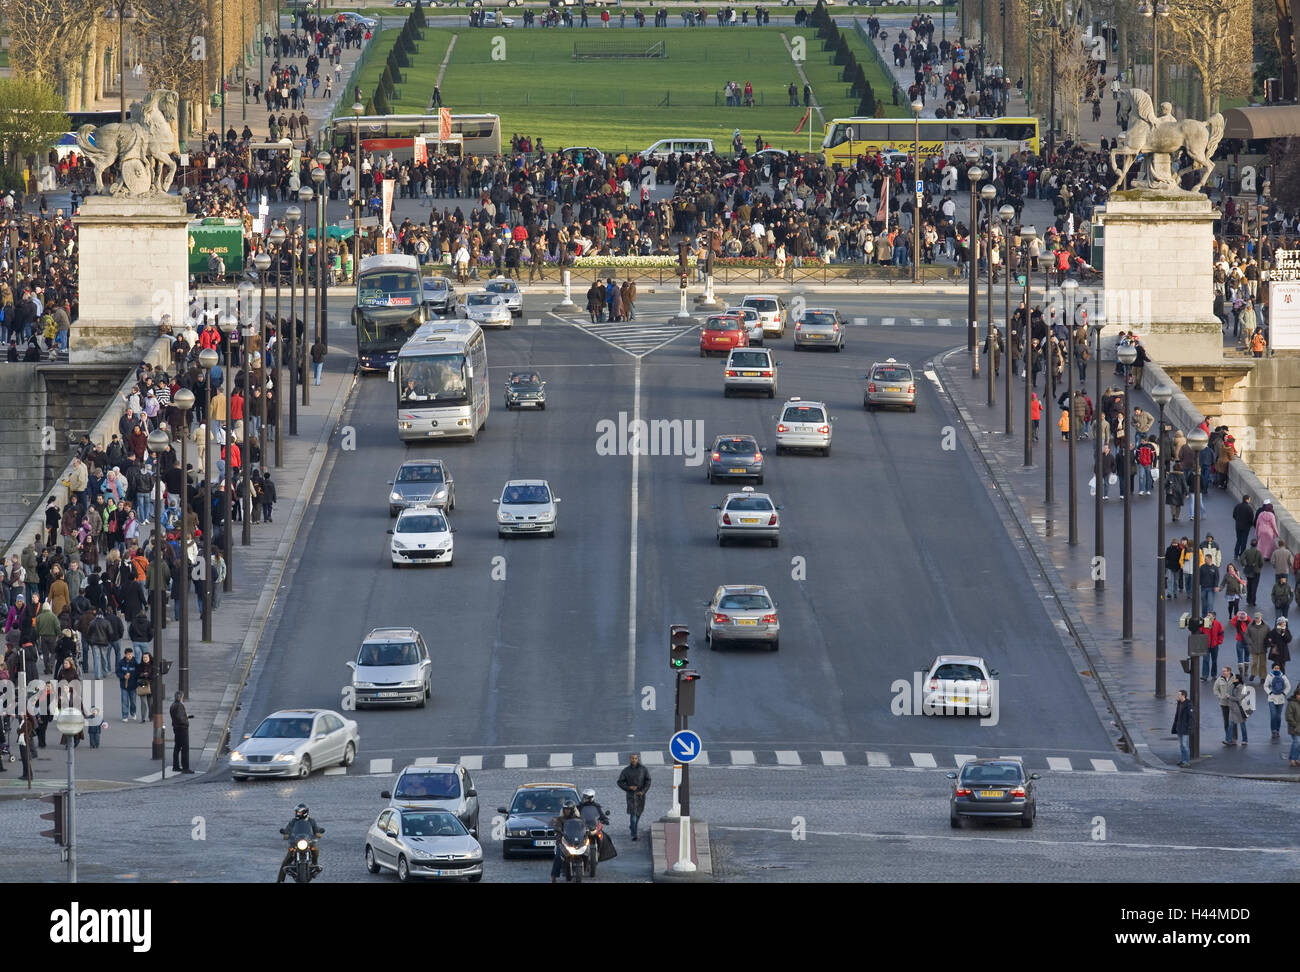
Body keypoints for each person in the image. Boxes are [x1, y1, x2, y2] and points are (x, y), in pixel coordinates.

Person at [277, 803, 324, 882]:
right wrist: (286, 833)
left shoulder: (311, 821)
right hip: (295, 842)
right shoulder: (293, 821)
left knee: (316, 850)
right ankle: (280, 881)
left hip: (308, 841)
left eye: (299, 812)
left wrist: (318, 833)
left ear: (304, 812)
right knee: (285, 861)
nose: (297, 814)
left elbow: (316, 830)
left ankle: (314, 864)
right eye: (297, 812)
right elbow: (288, 829)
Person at [617, 752, 651, 841]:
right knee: (633, 814)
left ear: (638, 759)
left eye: (635, 758)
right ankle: (634, 834)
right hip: (631, 796)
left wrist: (643, 791)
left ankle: (632, 826)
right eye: (632, 758)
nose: (634, 760)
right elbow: (620, 782)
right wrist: (629, 787)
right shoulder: (626, 770)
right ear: (630, 759)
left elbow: (648, 781)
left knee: (639, 813)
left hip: (640, 796)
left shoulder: (643, 769)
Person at [549, 800, 580, 883]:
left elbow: (582, 828)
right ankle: (554, 876)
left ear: (573, 810)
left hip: (575, 841)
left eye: (569, 809)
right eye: (565, 809)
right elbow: (557, 829)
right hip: (563, 841)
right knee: (558, 856)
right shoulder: (560, 819)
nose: (567, 811)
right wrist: (558, 832)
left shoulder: (578, 819)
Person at [1266, 663, 1292, 740]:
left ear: (1280, 668)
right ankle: (1273, 731)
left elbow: (1288, 686)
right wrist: (1269, 692)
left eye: (1278, 668)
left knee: (1278, 716)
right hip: (1272, 699)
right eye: (1275, 668)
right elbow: (1265, 686)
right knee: (1273, 715)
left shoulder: (1283, 676)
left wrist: (1284, 693)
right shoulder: (1269, 676)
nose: (1276, 669)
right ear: (1272, 668)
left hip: (1281, 699)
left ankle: (1277, 730)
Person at [170, 690, 194, 772]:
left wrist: (185, 716)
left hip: (176, 728)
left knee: (177, 747)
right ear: (180, 698)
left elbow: (177, 716)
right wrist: (186, 722)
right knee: (185, 748)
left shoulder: (173, 705)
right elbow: (180, 718)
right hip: (182, 729)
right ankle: (185, 767)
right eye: (182, 697)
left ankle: (175, 766)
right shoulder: (180, 706)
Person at [1229, 673, 1254, 744]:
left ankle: (1244, 740)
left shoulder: (1242, 687)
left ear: (1237, 679)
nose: (1232, 679)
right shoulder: (1233, 686)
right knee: (1233, 723)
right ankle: (1232, 739)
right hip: (1235, 707)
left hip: (1241, 708)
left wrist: (1229, 697)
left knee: (1242, 724)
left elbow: (1238, 698)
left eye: (1233, 678)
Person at [1171, 689, 1194, 766]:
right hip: (1179, 727)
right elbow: (1177, 715)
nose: (1178, 696)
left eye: (1179, 695)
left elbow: (1191, 717)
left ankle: (1186, 761)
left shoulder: (1188, 704)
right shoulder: (1179, 703)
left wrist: (1189, 727)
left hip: (1185, 728)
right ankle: (1183, 760)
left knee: (1185, 745)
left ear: (1183, 695)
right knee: (1181, 745)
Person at [1213, 665, 1235, 743]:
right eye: (1222, 671)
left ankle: (1233, 738)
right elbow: (1215, 689)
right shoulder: (1219, 679)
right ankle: (1228, 738)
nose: (1223, 672)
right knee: (1226, 721)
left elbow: (1241, 688)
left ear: (1229, 671)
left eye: (1225, 671)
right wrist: (1220, 697)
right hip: (1224, 703)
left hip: (1233, 703)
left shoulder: (1235, 678)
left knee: (1233, 722)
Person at [116, 645, 138, 722]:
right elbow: (118, 672)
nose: (130, 655)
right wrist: (123, 676)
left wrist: (131, 675)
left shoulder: (135, 662)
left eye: (131, 654)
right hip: (123, 685)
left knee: (133, 701)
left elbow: (137, 672)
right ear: (125, 655)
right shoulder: (121, 662)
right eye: (128, 654)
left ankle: (133, 713)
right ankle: (125, 715)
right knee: (124, 701)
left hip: (133, 685)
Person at [1242, 539, 1265, 607]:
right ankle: (1253, 601)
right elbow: (1262, 562)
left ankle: (1248, 600)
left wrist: (1245, 565)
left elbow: (1241, 559)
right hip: (1256, 571)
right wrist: (1259, 567)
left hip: (1248, 570)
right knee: (1254, 586)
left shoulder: (1247, 551)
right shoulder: (1258, 552)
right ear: (1257, 544)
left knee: (1249, 585)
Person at [1232, 494, 1254, 560]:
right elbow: (1251, 518)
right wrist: (1250, 524)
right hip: (1246, 527)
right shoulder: (1249, 508)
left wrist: (1238, 521)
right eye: (1249, 499)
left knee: (1238, 540)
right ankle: (1242, 554)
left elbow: (1234, 515)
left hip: (1238, 526)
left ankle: (1236, 554)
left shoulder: (1237, 506)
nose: (1250, 500)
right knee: (1244, 541)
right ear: (1247, 499)